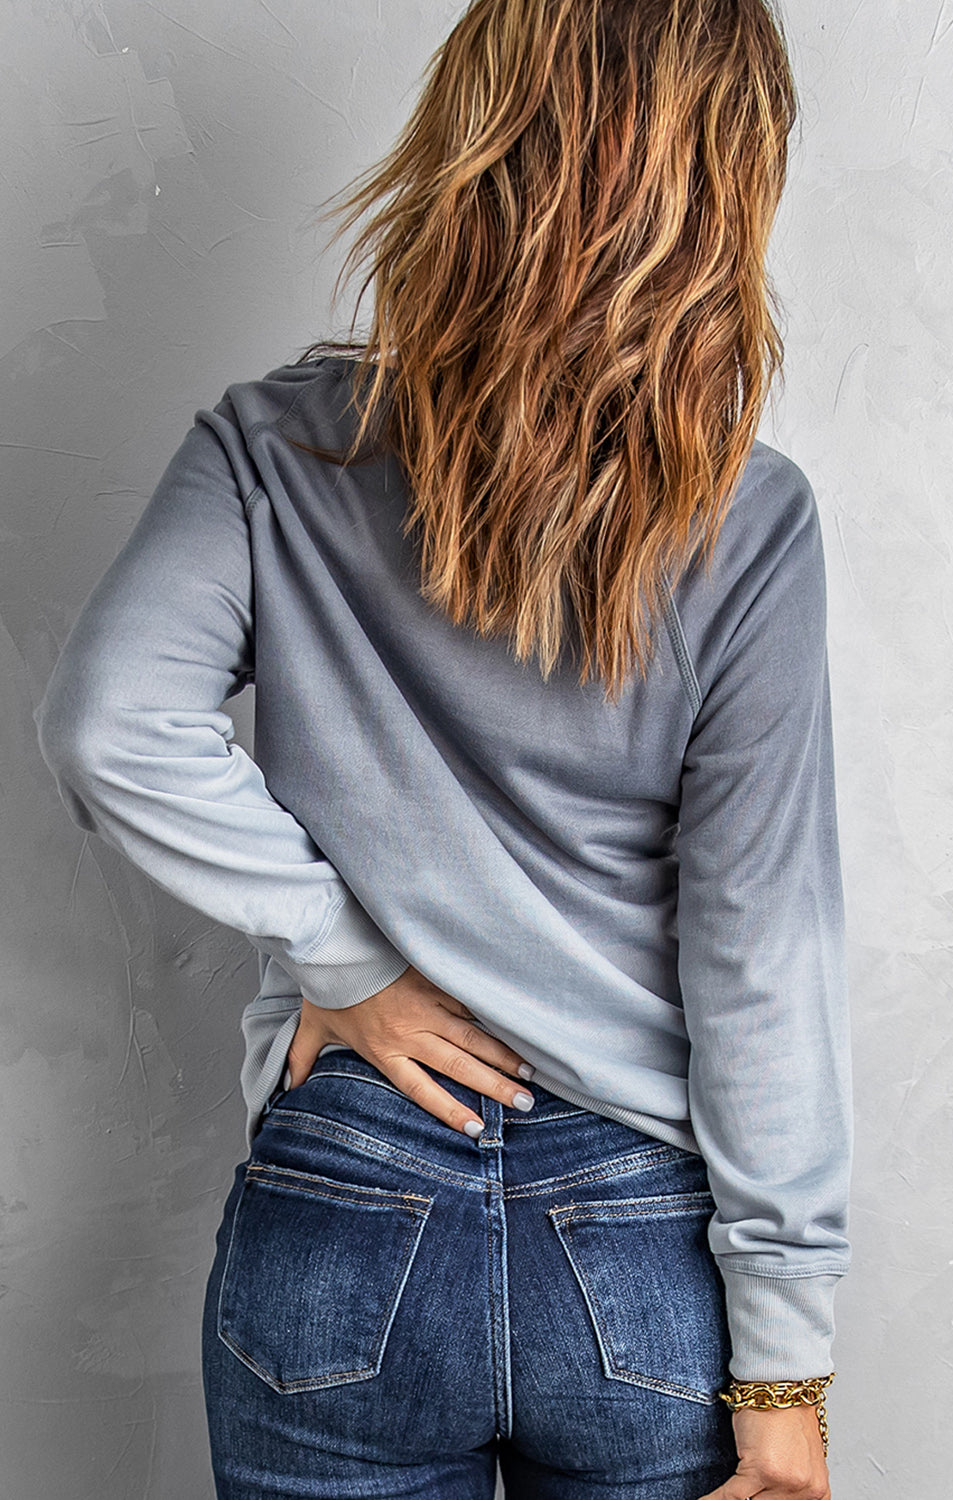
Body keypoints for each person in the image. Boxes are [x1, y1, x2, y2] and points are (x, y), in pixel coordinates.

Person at [33, 1, 853, 1497]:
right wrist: (784, 1374)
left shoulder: (275, 450)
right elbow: (761, 951)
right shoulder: (748, 523)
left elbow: (106, 724)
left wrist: (339, 957)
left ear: (464, 150)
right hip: (637, 1237)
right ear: (725, 191)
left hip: (345, 1189)